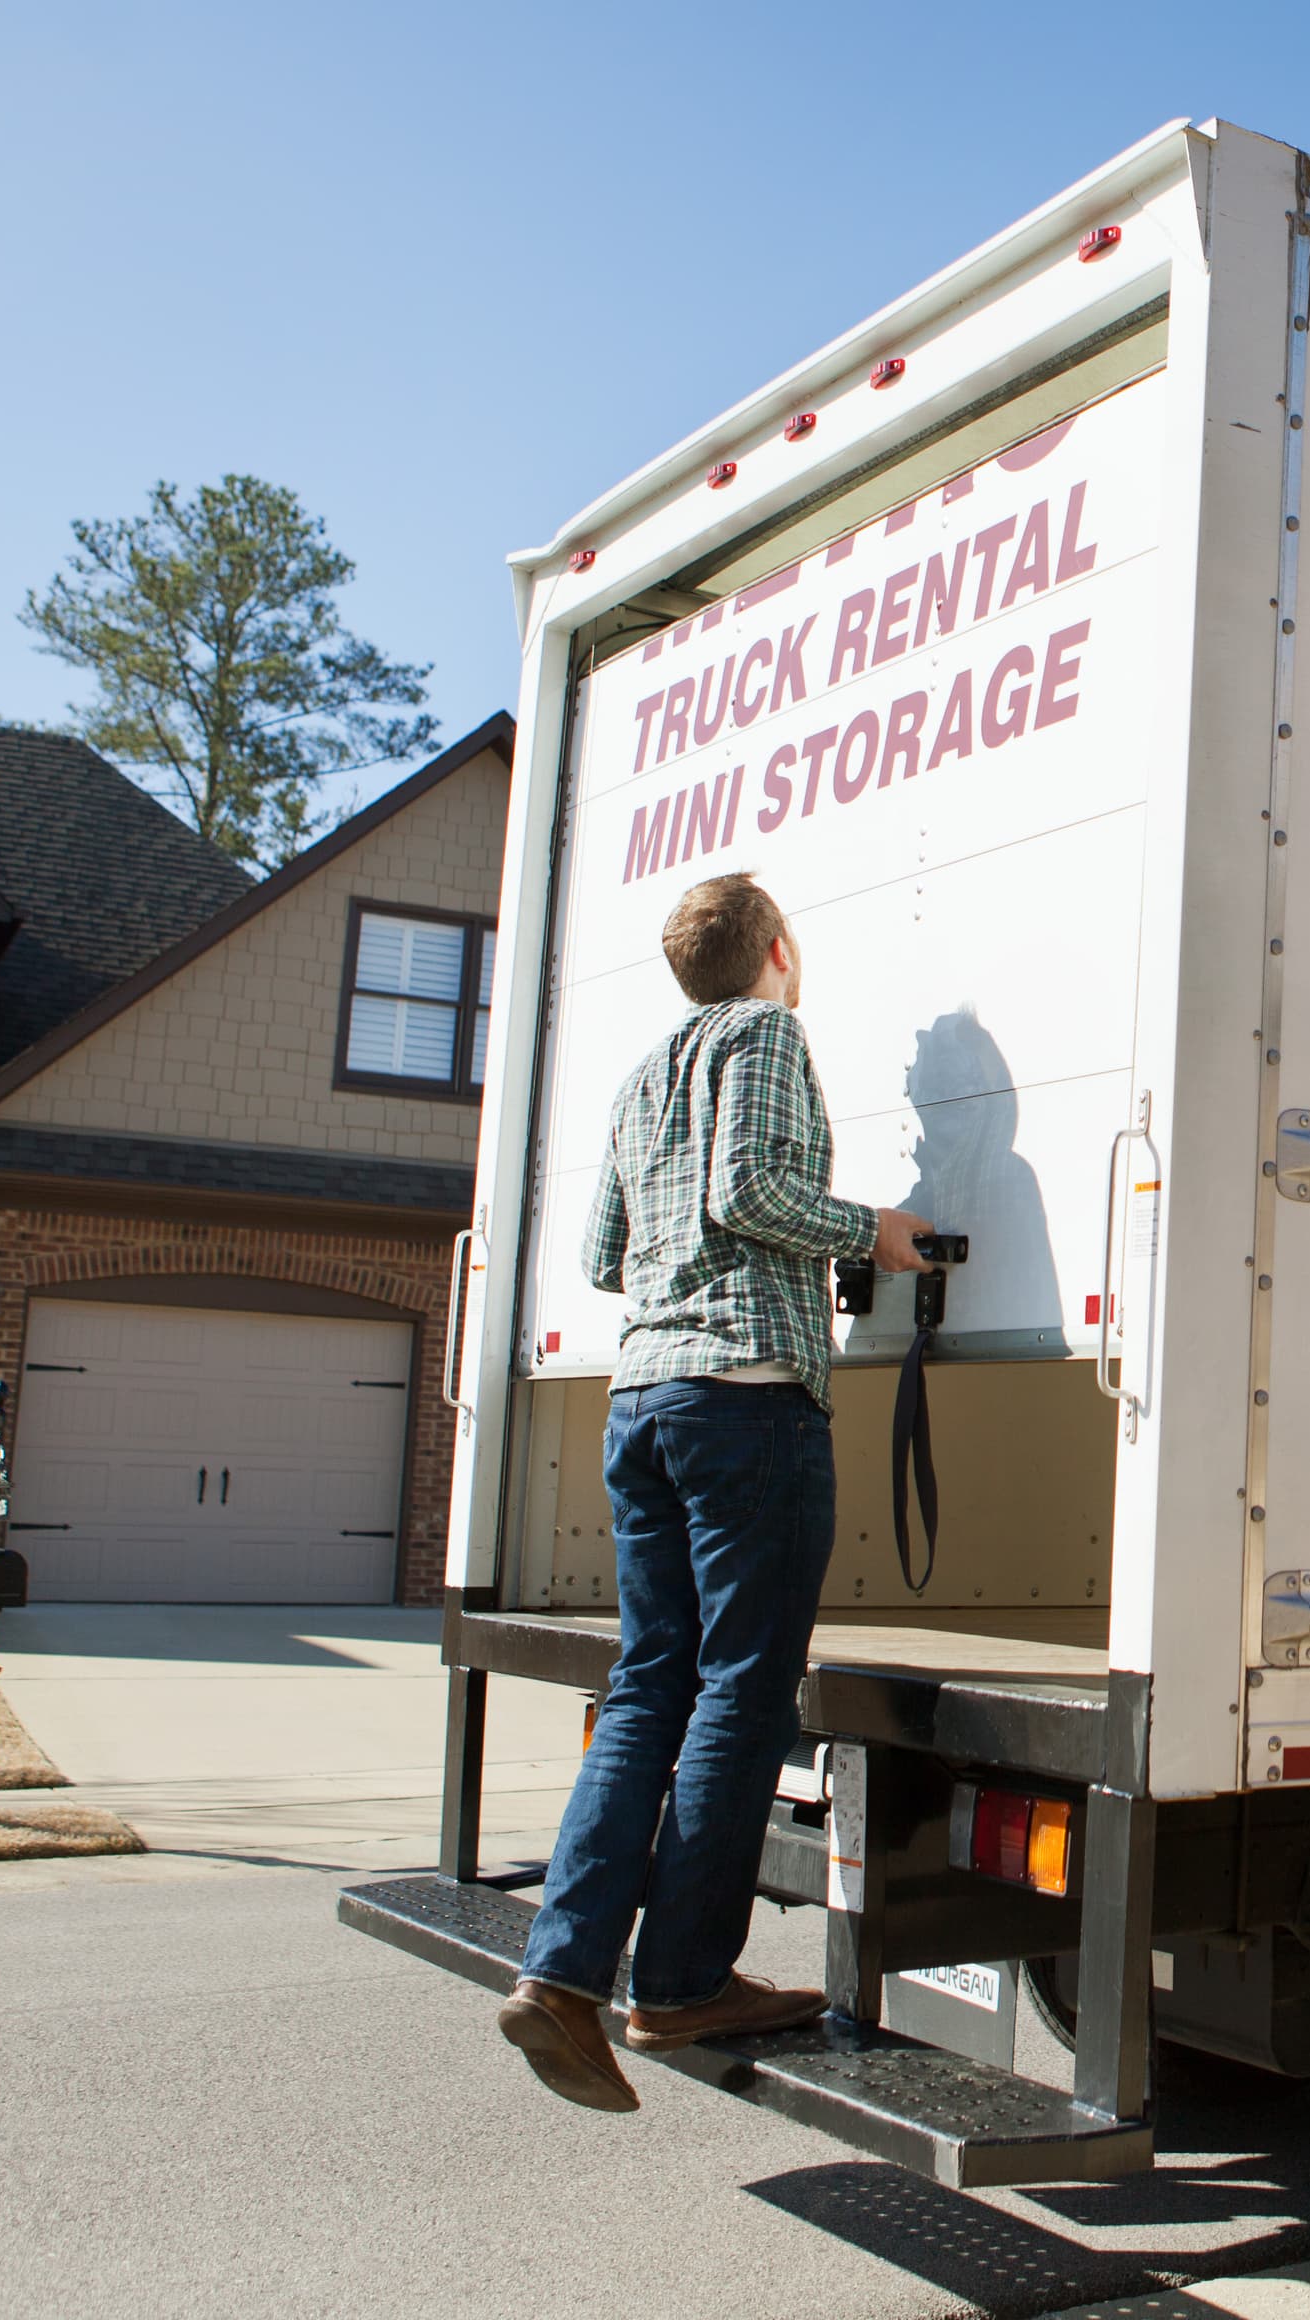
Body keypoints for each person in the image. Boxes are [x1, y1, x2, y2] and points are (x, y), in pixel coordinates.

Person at [496, 871, 929, 2112]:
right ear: (777, 949)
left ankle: (560, 1973)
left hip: (642, 1401)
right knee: (742, 1688)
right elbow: (751, 1193)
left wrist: (690, 1259)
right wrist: (871, 1230)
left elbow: (604, 1254)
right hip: (745, 1400)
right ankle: (681, 1981)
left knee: (651, 1683)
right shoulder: (766, 1033)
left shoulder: (645, 1073)